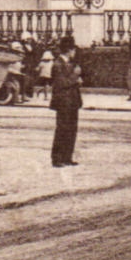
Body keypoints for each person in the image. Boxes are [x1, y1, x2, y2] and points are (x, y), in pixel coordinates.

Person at [49, 35, 82, 167]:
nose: (74, 53)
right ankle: (57, 158)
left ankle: (67, 157)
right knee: (62, 129)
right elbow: (62, 82)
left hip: (72, 101)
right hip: (63, 101)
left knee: (71, 130)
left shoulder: (69, 64)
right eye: (73, 50)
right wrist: (76, 77)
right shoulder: (57, 64)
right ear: (68, 50)